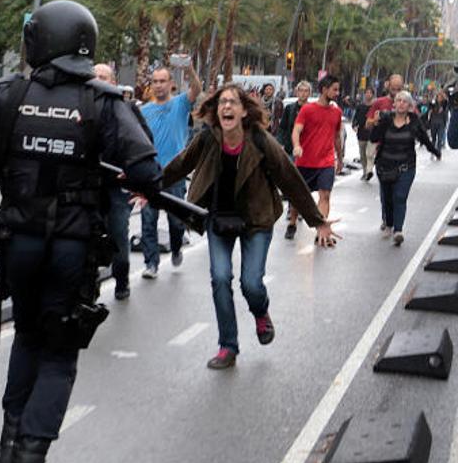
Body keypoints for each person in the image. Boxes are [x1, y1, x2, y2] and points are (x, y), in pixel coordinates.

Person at [0, 0, 167, 463]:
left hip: (18, 243)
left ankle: (9, 445)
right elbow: (146, 170)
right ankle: (30, 462)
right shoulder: (104, 100)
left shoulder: (9, 94)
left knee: (28, 336)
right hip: (72, 247)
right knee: (59, 350)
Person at [160, 84, 340, 369]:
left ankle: (261, 313)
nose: (226, 107)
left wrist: (317, 221)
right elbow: (180, 165)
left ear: (244, 111)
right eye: (221, 103)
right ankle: (227, 347)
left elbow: (290, 178)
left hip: (256, 220)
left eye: (232, 103)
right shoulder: (208, 138)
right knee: (220, 279)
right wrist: (148, 187)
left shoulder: (259, 140)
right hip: (219, 218)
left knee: (251, 284)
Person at [138, 64, 202, 278]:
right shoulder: (143, 111)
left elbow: (197, 88)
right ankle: (151, 264)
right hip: (150, 175)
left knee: (176, 221)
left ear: (171, 84)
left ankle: (176, 248)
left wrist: (190, 68)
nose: (158, 85)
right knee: (148, 221)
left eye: (162, 81)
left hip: (174, 176)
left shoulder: (181, 103)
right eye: (155, 81)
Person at [369, 90, 440, 246]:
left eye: (404, 101)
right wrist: (376, 123)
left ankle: (398, 231)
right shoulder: (386, 119)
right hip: (385, 166)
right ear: (394, 104)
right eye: (398, 100)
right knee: (387, 198)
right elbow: (374, 138)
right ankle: (388, 224)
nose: (401, 104)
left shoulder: (414, 121)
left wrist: (435, 151)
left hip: (406, 167)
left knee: (400, 197)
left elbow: (424, 139)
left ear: (409, 106)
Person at [95, 63, 136, 300]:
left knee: (118, 233)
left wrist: (130, 171)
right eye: (95, 76)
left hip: (118, 187)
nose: (98, 80)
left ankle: (122, 279)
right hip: (90, 186)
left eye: (103, 77)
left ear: (113, 82)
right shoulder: (81, 107)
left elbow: (142, 144)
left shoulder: (126, 110)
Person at [286, 75, 343, 244]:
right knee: (298, 198)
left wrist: (340, 157)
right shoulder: (307, 110)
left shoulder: (337, 112)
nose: (337, 93)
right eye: (335, 89)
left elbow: (337, 137)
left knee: (325, 196)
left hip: (326, 162)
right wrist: (297, 146)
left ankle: (321, 229)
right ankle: (292, 222)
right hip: (305, 162)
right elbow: (296, 130)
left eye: (338, 89)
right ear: (324, 90)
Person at [351, 87, 375, 181]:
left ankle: (369, 171)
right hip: (361, 133)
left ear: (372, 94)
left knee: (369, 153)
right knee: (362, 154)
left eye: (370, 93)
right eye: (367, 93)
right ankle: (365, 171)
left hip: (372, 134)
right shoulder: (360, 106)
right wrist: (354, 125)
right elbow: (355, 117)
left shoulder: (374, 106)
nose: (368, 94)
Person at [427, 90, 448, 155]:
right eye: (438, 97)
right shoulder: (433, 104)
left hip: (441, 124)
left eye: (441, 97)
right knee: (433, 139)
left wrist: (442, 93)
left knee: (440, 139)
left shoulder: (444, 104)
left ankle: (438, 153)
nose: (439, 98)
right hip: (433, 123)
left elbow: (446, 101)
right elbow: (430, 104)